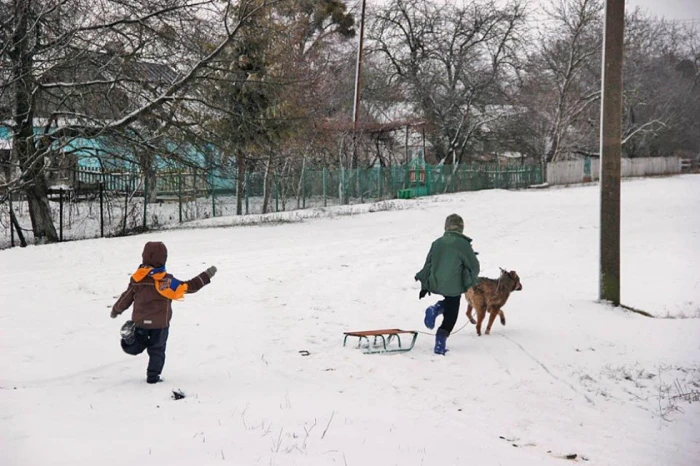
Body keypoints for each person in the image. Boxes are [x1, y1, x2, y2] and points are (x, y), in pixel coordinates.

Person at [110, 241, 216, 383]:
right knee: (157, 351)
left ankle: (130, 341)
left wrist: (117, 309)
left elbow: (127, 296)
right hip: (160, 325)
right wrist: (206, 275)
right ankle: (153, 377)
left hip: (140, 322)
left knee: (138, 345)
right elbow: (189, 287)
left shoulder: (138, 279)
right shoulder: (167, 281)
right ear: (164, 259)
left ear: (144, 257)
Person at [414, 214, 480, 355]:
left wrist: (425, 285)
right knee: (452, 314)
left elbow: (428, 265)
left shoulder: (437, 243)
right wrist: (471, 281)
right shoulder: (463, 244)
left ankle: (436, 309)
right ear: (461, 227)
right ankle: (440, 340)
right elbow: (474, 265)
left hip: (437, 282)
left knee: (450, 303)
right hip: (454, 284)